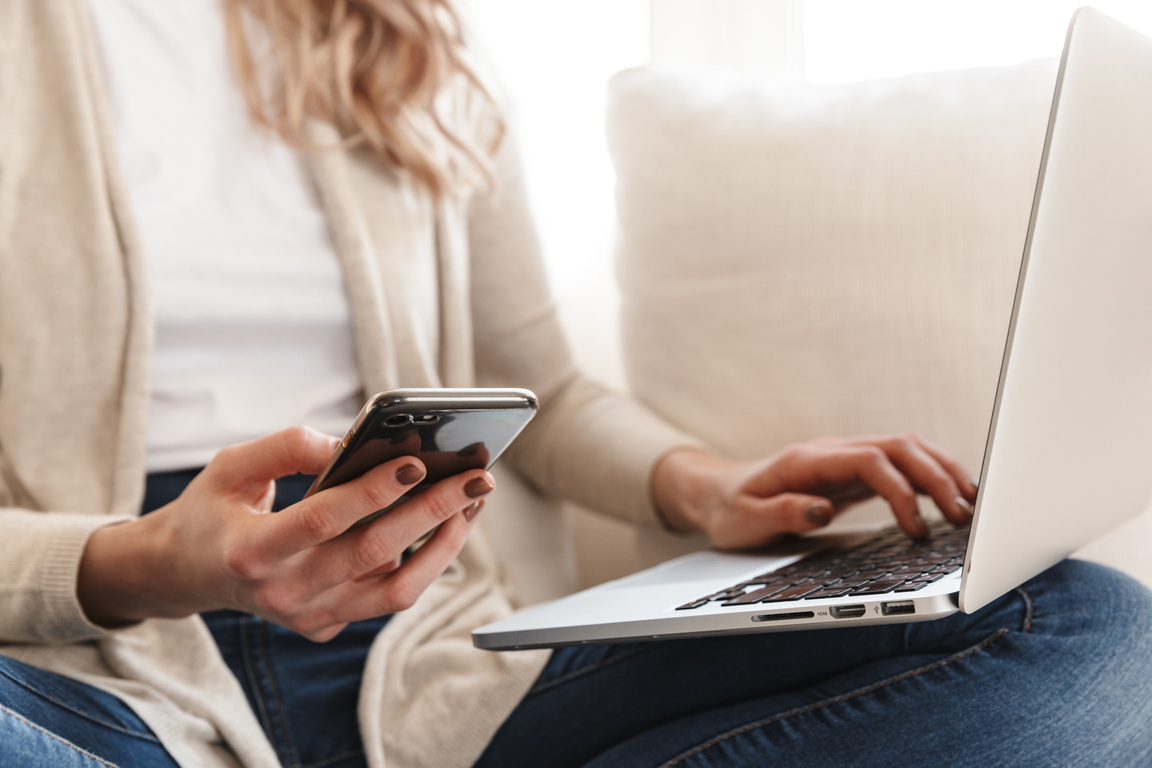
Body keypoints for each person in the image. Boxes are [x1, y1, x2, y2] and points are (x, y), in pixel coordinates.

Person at [1, 1, 1150, 767]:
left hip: (431, 670)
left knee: (1082, 628)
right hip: (102, 681)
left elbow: (531, 385)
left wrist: (705, 487)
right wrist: (145, 563)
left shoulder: (398, 33)